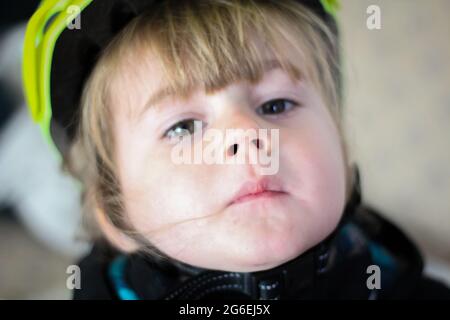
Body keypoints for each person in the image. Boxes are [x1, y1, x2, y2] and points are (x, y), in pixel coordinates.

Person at [23, 0, 450, 299]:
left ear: (340, 149)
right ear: (113, 212)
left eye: (276, 104)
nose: (247, 135)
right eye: (184, 126)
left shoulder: (401, 280)